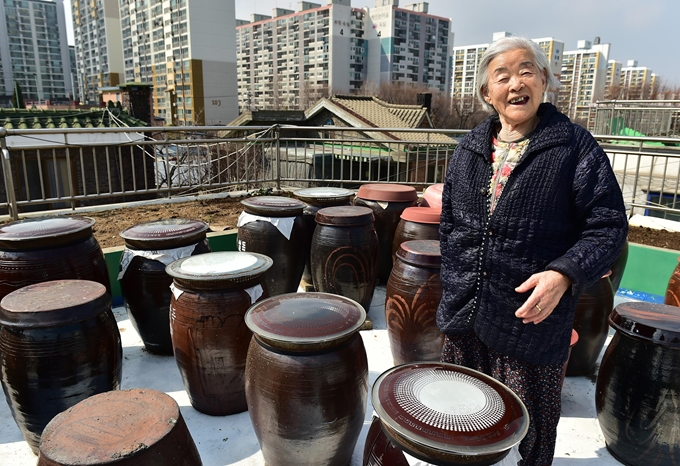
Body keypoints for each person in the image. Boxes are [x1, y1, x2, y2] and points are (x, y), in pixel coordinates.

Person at [437, 36, 628, 465]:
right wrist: (453, 285)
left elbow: (608, 226)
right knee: (460, 419)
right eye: (501, 76)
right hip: (464, 316)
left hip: (529, 321)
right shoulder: (470, 147)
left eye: (526, 71)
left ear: (544, 80)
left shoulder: (573, 146)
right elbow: (450, 225)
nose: (515, 83)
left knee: (526, 434)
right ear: (488, 93)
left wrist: (564, 274)